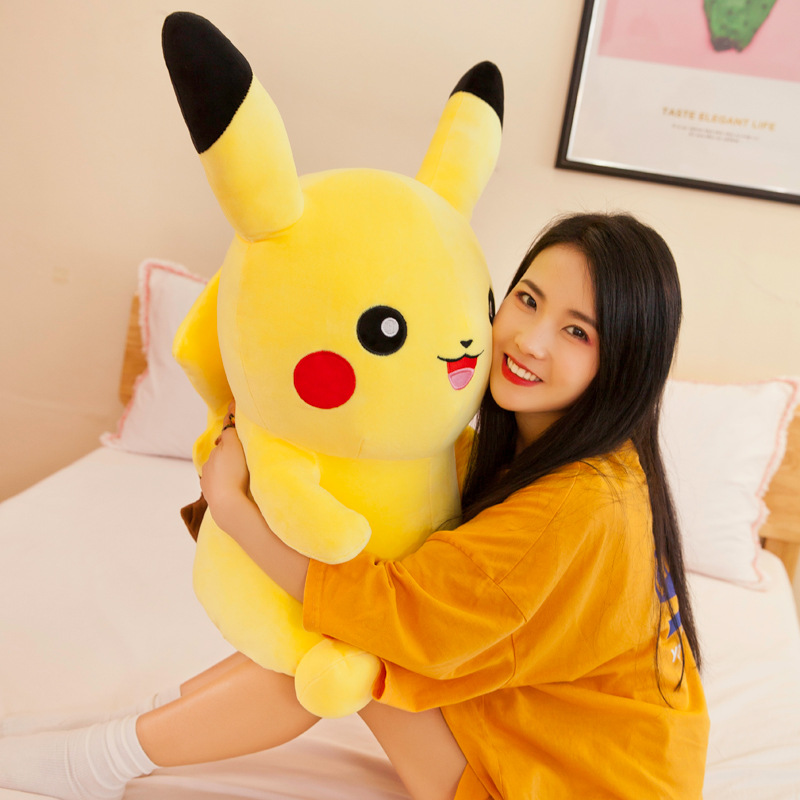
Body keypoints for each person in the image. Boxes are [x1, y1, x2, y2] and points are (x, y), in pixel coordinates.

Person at [0, 213, 710, 799]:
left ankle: (95, 762)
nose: (528, 339)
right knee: (340, 616)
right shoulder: (566, 456)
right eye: (527, 299)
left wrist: (232, 506)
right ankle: (134, 728)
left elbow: (390, 616)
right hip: (574, 752)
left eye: (577, 331)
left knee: (339, 653)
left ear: (625, 363)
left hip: (564, 784)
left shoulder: (581, 502)